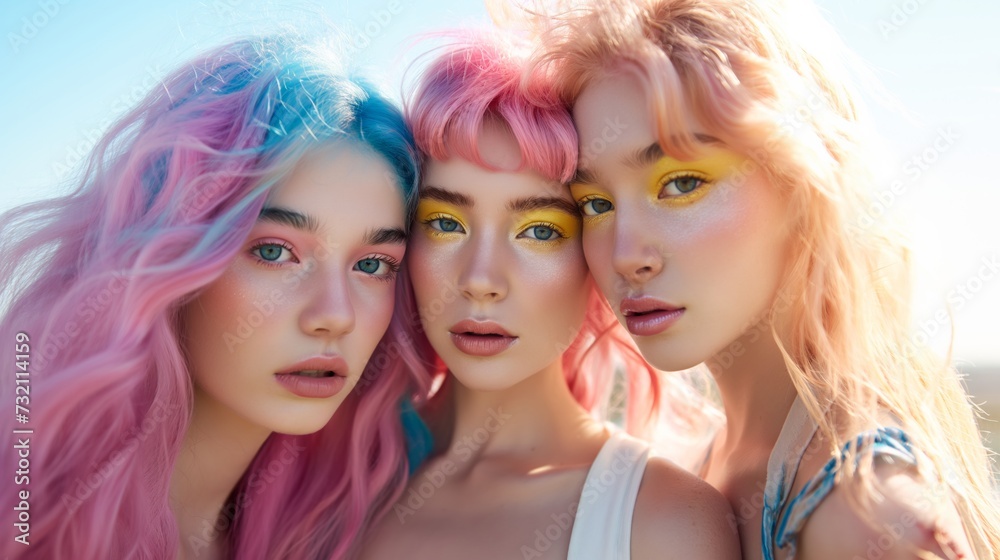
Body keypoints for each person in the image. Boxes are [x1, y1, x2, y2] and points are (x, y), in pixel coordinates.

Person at [527, 0, 1000, 557]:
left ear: (798, 184)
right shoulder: (701, 452)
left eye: (680, 184)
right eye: (597, 203)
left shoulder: (868, 514)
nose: (626, 254)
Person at [0, 37, 427, 559]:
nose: (334, 316)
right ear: (168, 255)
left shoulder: (341, 538)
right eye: (274, 251)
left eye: (372, 265)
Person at [359, 31, 739, 560]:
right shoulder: (328, 473)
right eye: (445, 223)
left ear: (594, 252)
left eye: (539, 231)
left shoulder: (663, 522)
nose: (481, 278)